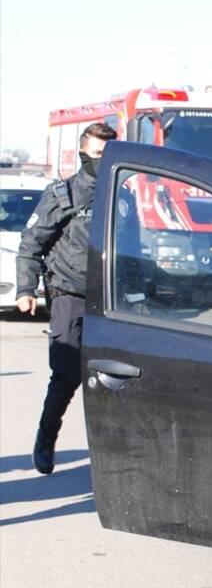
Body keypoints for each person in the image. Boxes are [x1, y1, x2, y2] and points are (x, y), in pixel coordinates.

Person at [15, 121, 117, 475]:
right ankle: (46, 437)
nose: (104, 161)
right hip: (70, 296)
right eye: (98, 154)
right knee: (66, 375)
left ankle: (112, 455)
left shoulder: (121, 195)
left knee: (115, 379)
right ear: (84, 154)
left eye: (110, 153)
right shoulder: (64, 195)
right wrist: (26, 290)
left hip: (110, 301)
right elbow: (31, 245)